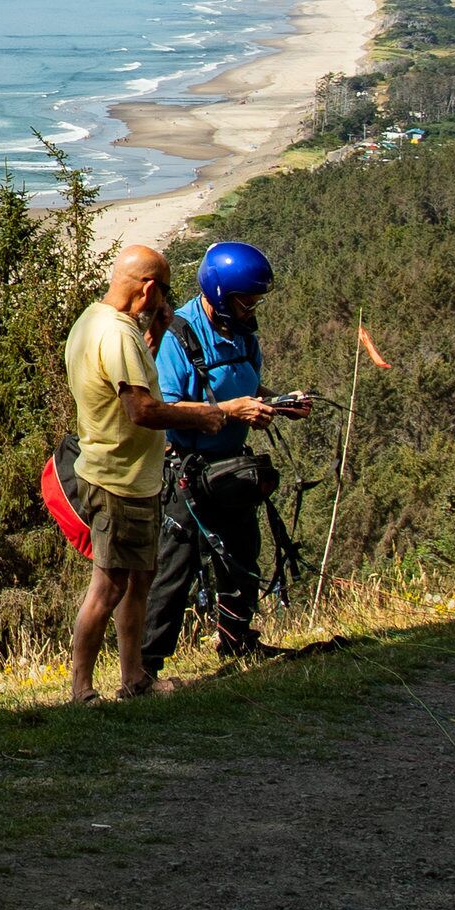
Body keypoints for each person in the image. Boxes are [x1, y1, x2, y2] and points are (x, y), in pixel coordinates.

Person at [58, 243, 281, 701]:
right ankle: (82, 690)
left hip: (126, 472)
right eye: (161, 294)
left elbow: (132, 375)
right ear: (148, 288)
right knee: (110, 585)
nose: (164, 303)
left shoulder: (92, 321)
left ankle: (136, 678)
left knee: (139, 580)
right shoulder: (118, 336)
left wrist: (155, 329)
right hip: (119, 476)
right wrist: (214, 413)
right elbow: (141, 410)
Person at [149, 239, 303, 665]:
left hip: (232, 466)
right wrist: (230, 411)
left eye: (254, 302)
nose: (251, 309)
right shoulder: (178, 335)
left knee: (242, 553)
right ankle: (146, 666)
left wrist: (280, 402)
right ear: (219, 293)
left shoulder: (242, 334)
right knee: (174, 570)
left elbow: (248, 387)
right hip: (187, 470)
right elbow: (169, 410)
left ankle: (236, 640)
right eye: (245, 301)